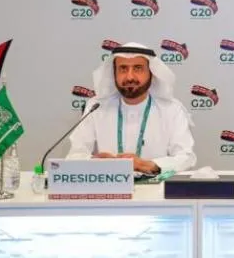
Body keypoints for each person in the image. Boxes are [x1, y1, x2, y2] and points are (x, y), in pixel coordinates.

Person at [66, 42, 197, 174]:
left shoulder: (171, 109)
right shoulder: (96, 107)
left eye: (138, 68)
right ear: (114, 74)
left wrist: (150, 165)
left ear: (151, 73)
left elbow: (186, 157)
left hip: (155, 185)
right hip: (109, 184)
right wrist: (96, 163)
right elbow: (75, 155)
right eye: (123, 69)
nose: (130, 77)